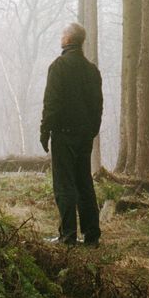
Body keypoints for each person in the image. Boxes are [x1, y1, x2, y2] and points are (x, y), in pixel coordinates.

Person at [39, 22, 104, 246]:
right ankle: (92, 235)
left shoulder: (59, 67)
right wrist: (92, 130)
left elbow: (52, 103)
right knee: (84, 183)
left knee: (64, 184)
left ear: (68, 39)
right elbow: (98, 105)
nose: (61, 37)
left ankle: (67, 236)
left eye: (62, 34)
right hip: (84, 136)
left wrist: (44, 130)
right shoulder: (91, 70)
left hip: (64, 135)